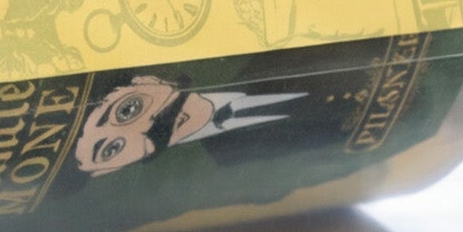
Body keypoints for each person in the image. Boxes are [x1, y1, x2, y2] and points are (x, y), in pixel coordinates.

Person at [72, 72, 305, 175]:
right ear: (112, 169)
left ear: (146, 80)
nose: (148, 125)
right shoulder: (228, 164)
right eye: (112, 149)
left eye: (128, 110)